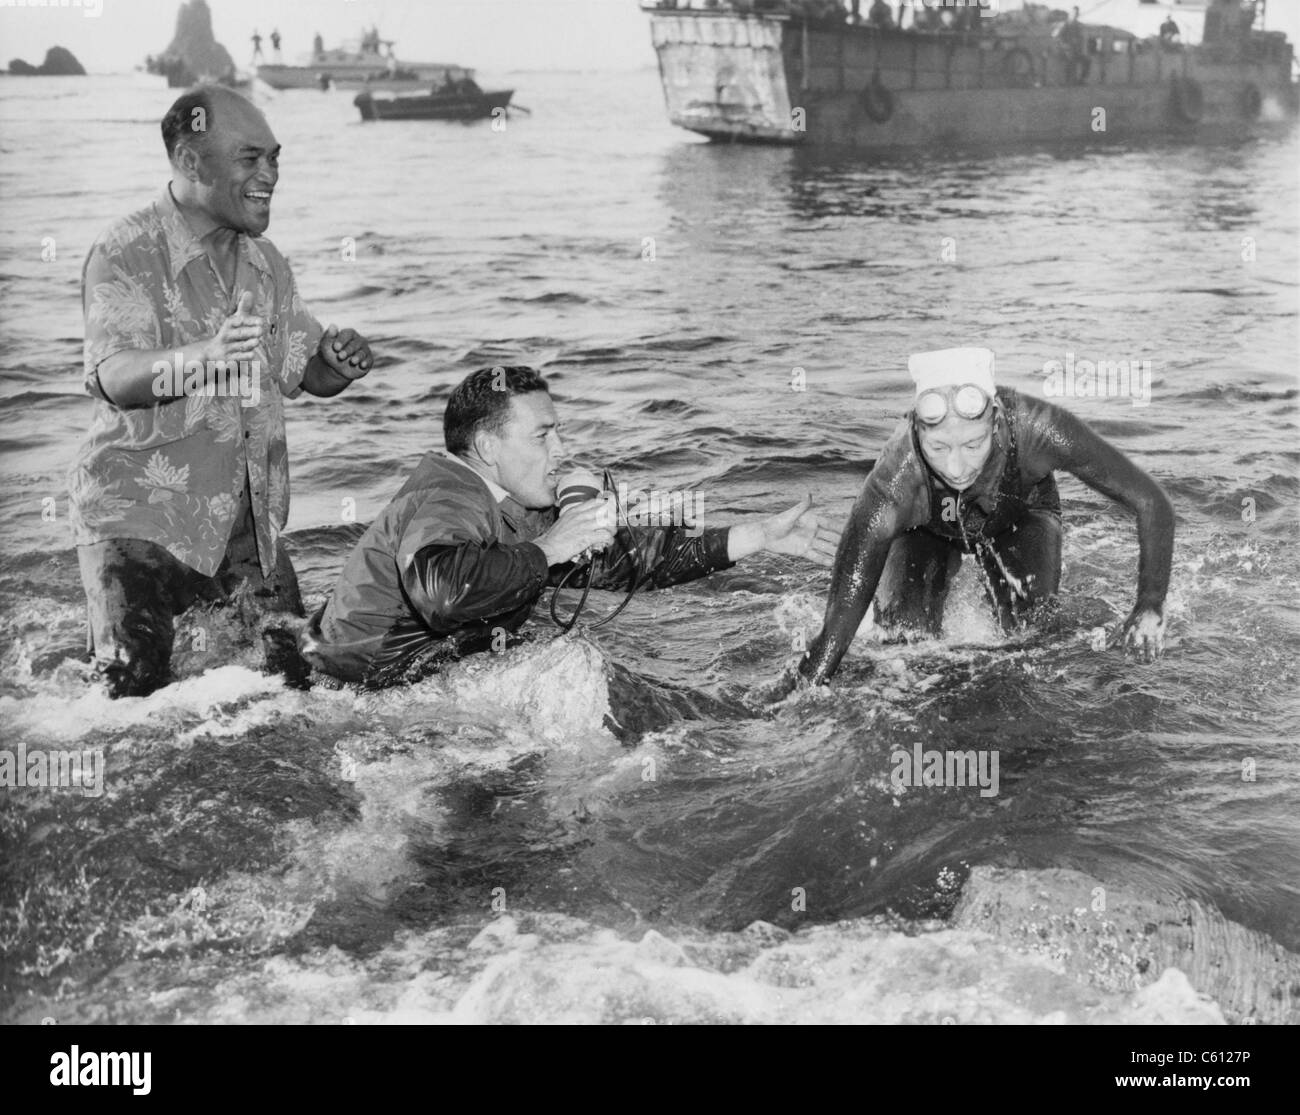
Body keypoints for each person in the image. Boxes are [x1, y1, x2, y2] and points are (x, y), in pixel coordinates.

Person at [69, 87, 376, 698]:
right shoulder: (124, 249)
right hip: (139, 520)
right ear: (189, 162)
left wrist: (337, 365)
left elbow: (305, 373)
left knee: (294, 691)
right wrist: (205, 359)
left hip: (245, 528)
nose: (270, 175)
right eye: (250, 158)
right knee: (129, 699)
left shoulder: (266, 263)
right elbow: (115, 377)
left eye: (275, 158)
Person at [302, 366, 841, 688]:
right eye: (543, 436)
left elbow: (624, 561)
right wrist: (553, 545)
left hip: (405, 675)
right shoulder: (447, 495)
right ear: (488, 447)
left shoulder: (509, 501)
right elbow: (443, 590)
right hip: (351, 688)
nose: (562, 451)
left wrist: (760, 536)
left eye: (559, 432)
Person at [797, 347, 1174, 686]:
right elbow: (835, 629)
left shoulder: (1038, 428)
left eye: (973, 444)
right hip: (926, 530)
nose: (957, 467)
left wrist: (1149, 604)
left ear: (995, 423)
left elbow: (1150, 500)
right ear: (916, 430)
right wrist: (801, 692)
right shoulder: (895, 477)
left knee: (1031, 635)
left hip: (1019, 515)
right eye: (938, 447)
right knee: (902, 640)